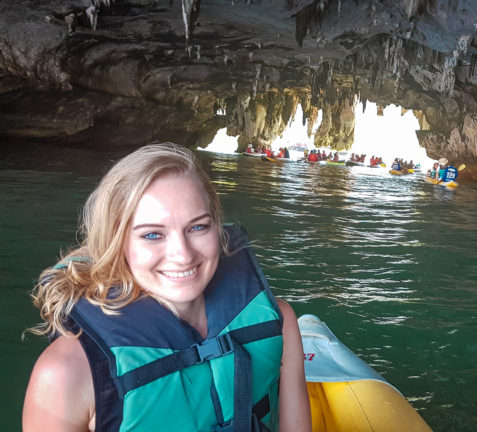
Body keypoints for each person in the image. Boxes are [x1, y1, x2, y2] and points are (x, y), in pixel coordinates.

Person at [23, 143, 311, 432]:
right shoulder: (65, 374)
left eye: (198, 227)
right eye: (152, 235)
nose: (183, 254)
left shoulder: (280, 323)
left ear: (217, 227)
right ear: (117, 242)